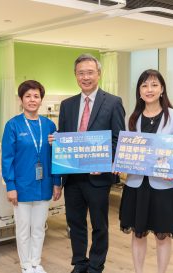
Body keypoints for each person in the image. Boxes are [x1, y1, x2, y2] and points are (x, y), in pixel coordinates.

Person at [54, 54, 125, 273]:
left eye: (90, 72)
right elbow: (65, 139)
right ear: (75, 75)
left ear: (98, 74)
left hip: (98, 177)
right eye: (81, 73)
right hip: (72, 176)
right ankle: (79, 262)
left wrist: (104, 163)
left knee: (99, 225)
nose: (85, 77)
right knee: (74, 222)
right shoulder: (67, 105)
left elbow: (118, 139)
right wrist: (56, 140)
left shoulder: (113, 102)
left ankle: (95, 265)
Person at [118, 69, 173, 273]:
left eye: (154, 85)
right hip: (136, 184)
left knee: (162, 235)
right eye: (145, 85)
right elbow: (127, 150)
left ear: (162, 89)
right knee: (138, 234)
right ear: (139, 91)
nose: (149, 89)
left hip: (163, 185)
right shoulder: (134, 117)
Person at [2, 80, 62, 273]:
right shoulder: (13, 125)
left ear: (41, 100)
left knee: (39, 227)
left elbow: (56, 157)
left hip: (44, 184)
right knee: (23, 228)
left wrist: (57, 182)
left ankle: (36, 262)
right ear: (21, 100)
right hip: (21, 186)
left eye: (36, 96)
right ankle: (25, 265)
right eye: (28, 96)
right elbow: (7, 159)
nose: (32, 100)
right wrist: (10, 185)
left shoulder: (49, 125)